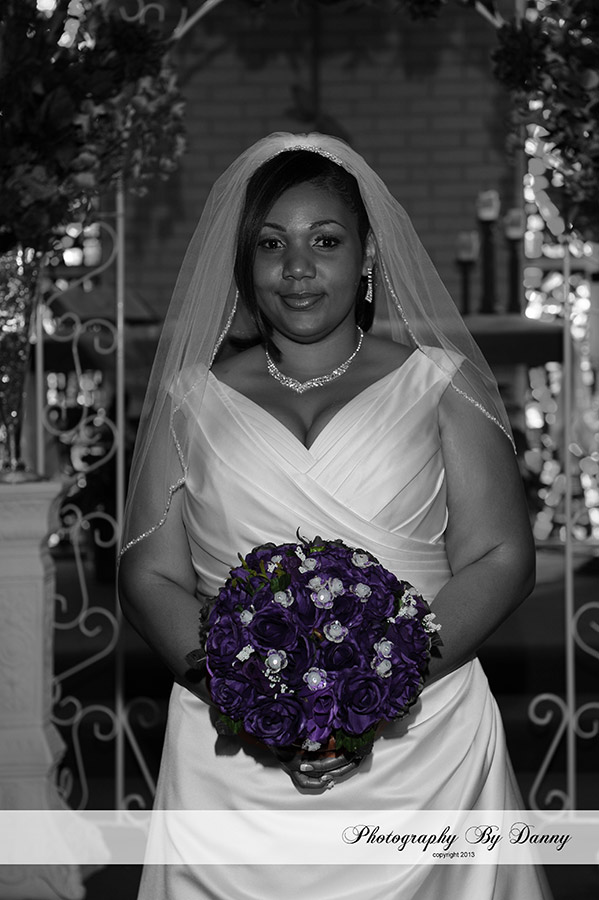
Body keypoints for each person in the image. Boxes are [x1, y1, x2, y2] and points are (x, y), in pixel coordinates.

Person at [118, 132, 552, 899]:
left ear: (368, 252)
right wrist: (254, 701)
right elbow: (150, 575)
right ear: (244, 262)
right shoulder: (190, 401)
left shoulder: (440, 384)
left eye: (324, 241)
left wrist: (373, 692)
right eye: (270, 244)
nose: (296, 268)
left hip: (421, 744)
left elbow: (501, 558)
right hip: (235, 760)